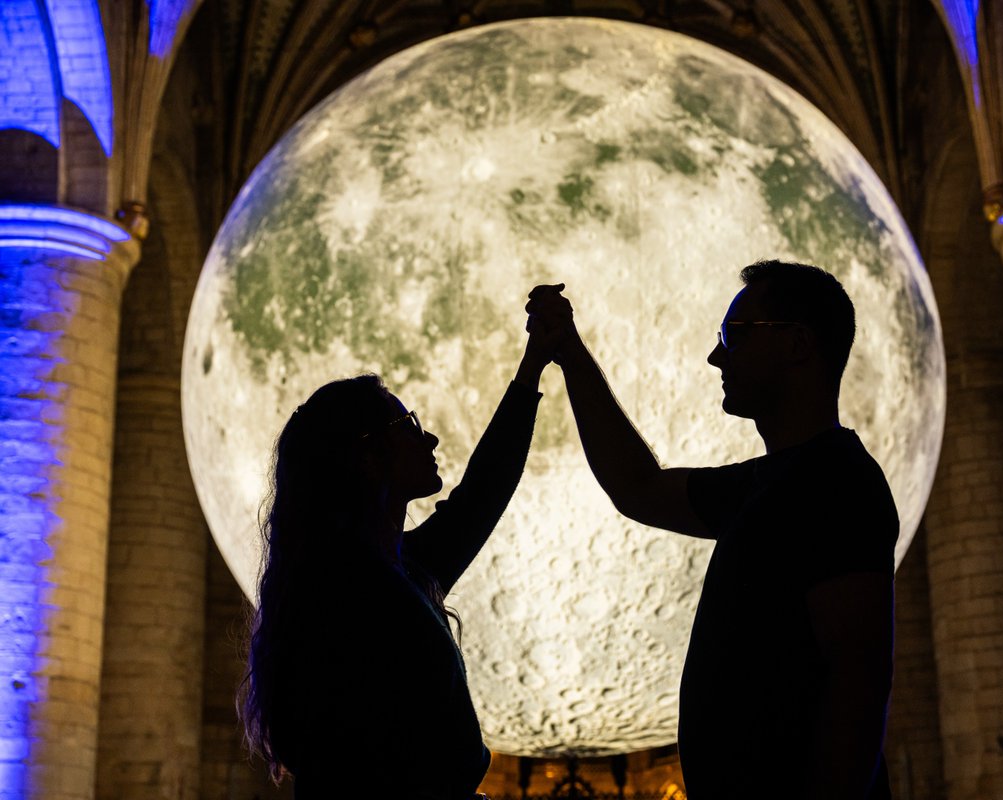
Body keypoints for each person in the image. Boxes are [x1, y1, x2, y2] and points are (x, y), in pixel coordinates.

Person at [528, 261, 897, 799]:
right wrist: (571, 353)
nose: (716, 355)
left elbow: (858, 680)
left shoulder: (838, 483)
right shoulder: (767, 485)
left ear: (797, 344)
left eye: (733, 336)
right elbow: (638, 488)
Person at [237, 308, 559, 798]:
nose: (427, 436)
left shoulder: (385, 573)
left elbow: (481, 494)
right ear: (365, 456)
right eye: (407, 424)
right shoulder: (352, 596)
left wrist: (532, 366)